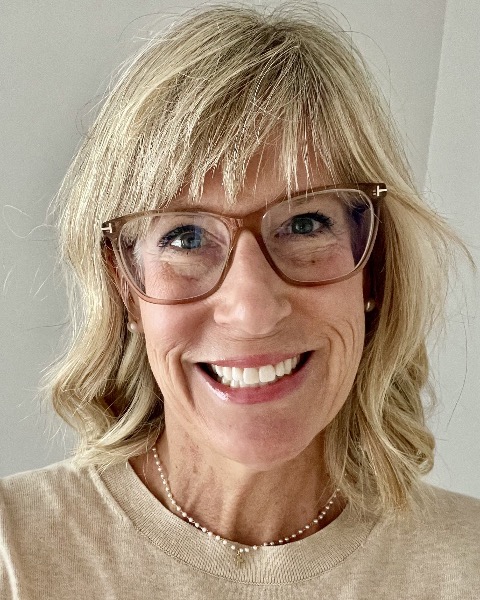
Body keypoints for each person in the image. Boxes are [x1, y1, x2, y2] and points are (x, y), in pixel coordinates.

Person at [1, 4, 479, 599]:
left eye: (305, 224)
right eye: (185, 237)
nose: (252, 311)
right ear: (125, 285)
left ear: (375, 267)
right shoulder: (14, 554)